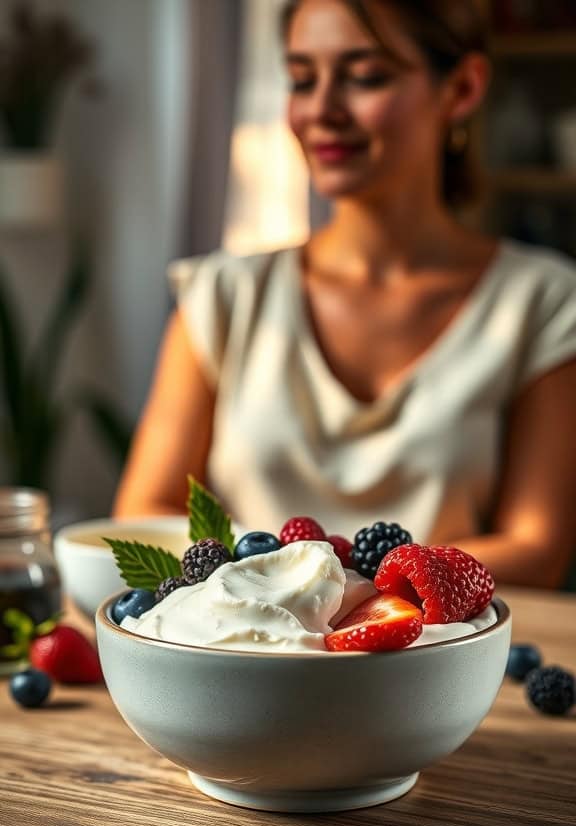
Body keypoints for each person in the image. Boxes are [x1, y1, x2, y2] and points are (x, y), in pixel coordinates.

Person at [114, 0, 576, 588]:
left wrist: (334, 591)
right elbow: (146, 510)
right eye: (302, 80)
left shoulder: (544, 302)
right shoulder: (223, 296)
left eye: (365, 77)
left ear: (460, 89)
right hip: (248, 662)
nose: (322, 111)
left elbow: (536, 549)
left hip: (432, 660)